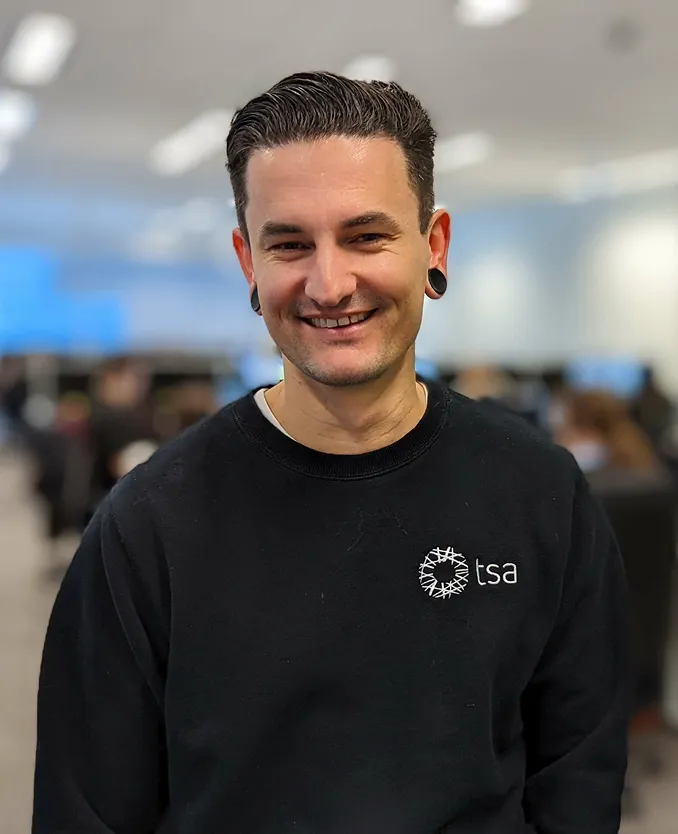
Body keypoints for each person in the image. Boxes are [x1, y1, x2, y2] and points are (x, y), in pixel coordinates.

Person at [33, 72, 630, 834]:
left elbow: (579, 776)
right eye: (289, 243)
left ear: (433, 244)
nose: (329, 282)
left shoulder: (541, 492)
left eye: (366, 235)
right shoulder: (148, 527)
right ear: (250, 263)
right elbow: (84, 811)